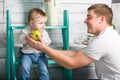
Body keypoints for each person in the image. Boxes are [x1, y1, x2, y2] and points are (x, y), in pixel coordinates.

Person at [25, 4, 120, 80]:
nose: (85, 20)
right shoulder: (110, 36)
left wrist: (44, 48)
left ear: (101, 19)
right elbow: (76, 54)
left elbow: (71, 63)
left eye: (89, 17)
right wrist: (45, 49)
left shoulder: (103, 41)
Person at [19, 8, 51, 80]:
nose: (43, 25)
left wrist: (42, 39)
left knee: (44, 69)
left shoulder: (43, 32)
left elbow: (48, 42)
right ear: (31, 23)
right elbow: (21, 41)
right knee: (24, 66)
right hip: (27, 55)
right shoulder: (25, 31)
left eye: (44, 23)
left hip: (40, 55)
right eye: (41, 23)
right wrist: (26, 38)